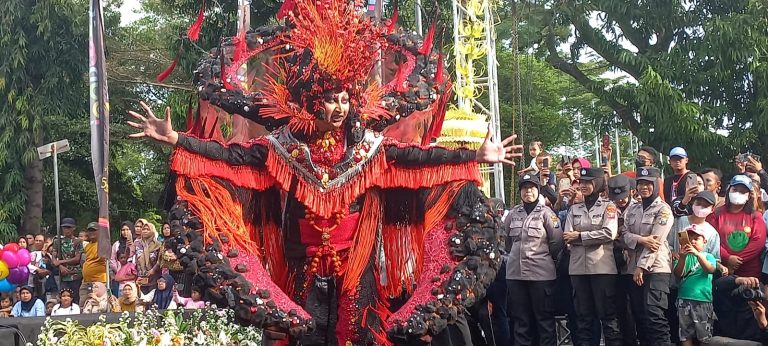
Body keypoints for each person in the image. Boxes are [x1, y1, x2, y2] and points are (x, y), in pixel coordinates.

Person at [125, 0, 521, 341]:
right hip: (301, 259)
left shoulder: (370, 149)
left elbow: (418, 159)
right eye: (331, 100)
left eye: (345, 99)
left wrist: (472, 156)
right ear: (312, 102)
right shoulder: (282, 148)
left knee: (357, 330)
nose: (339, 108)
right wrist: (177, 139)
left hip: (356, 261)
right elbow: (232, 156)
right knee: (304, 331)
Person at [563, 167, 622, 345]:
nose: (584, 185)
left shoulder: (609, 207)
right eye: (581, 182)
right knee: (583, 319)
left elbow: (609, 233)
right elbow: (567, 237)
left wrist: (580, 236)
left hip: (602, 268)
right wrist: (588, 236)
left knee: (609, 318)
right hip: (578, 269)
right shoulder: (574, 209)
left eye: (588, 182)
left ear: (597, 184)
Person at [505, 174, 563, 346]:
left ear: (538, 190)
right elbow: (506, 241)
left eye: (531, 187)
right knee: (521, 321)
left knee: (544, 320)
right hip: (515, 275)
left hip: (541, 275)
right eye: (524, 188)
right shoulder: (513, 213)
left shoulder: (547, 214)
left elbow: (557, 242)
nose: (527, 191)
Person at [621, 167, 674, 345]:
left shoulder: (664, 209)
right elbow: (624, 235)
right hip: (633, 270)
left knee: (654, 316)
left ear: (655, 185)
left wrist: (640, 267)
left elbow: (656, 242)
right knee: (639, 317)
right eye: (640, 183)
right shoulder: (633, 209)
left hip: (656, 269)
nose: (644, 187)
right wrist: (642, 239)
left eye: (648, 183)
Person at [707, 175, 767, 278]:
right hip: (722, 270)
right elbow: (710, 239)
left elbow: (758, 241)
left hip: (749, 273)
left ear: (749, 195)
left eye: (743, 191)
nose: (738, 193)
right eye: (735, 189)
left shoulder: (755, 216)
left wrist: (737, 260)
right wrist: (728, 257)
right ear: (729, 190)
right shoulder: (715, 214)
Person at [607, 174, 640, 345]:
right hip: (612, 262)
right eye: (616, 197)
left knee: (635, 308)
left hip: (633, 263)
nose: (620, 201)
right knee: (618, 308)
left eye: (623, 197)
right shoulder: (607, 208)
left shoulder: (638, 208)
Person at [673, 225, 717, 346]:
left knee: (704, 337)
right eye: (689, 238)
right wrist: (682, 257)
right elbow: (678, 274)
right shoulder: (682, 256)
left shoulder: (709, 256)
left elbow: (710, 269)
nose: (692, 241)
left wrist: (698, 255)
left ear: (704, 241)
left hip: (703, 300)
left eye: (696, 238)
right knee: (685, 335)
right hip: (684, 299)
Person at [53, 217, 83, 305]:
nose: (66, 230)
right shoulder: (57, 241)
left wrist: (61, 262)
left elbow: (77, 259)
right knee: (63, 298)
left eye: (69, 227)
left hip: (75, 274)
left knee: (75, 298)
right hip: (63, 275)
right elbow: (54, 258)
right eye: (64, 228)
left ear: (74, 228)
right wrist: (60, 266)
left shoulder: (77, 241)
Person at [80, 222, 107, 307]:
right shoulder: (88, 245)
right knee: (83, 305)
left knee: (98, 305)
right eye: (90, 231)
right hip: (86, 281)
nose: (91, 233)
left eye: (94, 230)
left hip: (99, 281)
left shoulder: (103, 244)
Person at [134, 220, 161, 295]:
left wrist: (153, 270)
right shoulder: (138, 244)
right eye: (144, 229)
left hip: (154, 278)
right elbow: (136, 260)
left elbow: (160, 260)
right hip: (141, 278)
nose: (145, 231)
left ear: (152, 231)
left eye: (148, 229)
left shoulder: (158, 245)